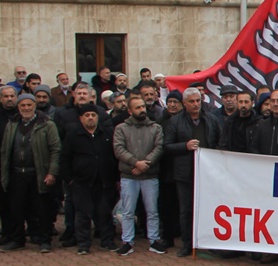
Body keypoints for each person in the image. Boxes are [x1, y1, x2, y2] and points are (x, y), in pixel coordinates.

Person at [163, 88, 222, 257]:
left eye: (198, 100)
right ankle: (188, 244)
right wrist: (184, 146)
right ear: (184, 103)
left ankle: (209, 241)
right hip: (184, 173)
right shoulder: (175, 122)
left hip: (208, 172)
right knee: (186, 210)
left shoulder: (211, 119)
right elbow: (166, 146)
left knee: (209, 208)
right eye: (192, 101)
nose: (196, 104)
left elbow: (220, 141)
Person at [0, 95, 61, 253]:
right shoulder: (11, 124)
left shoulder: (47, 124)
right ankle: (17, 239)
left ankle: (44, 240)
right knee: (16, 209)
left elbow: (55, 150)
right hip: (17, 173)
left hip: (38, 173)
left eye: (29, 105)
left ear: (34, 106)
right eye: (22, 105)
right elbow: (5, 150)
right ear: (18, 107)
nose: (26, 108)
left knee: (42, 210)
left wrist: (52, 172)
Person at [58, 102, 118, 255]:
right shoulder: (73, 135)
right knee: (83, 215)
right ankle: (83, 244)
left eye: (93, 115)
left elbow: (113, 157)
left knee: (105, 213)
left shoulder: (106, 134)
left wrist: (115, 179)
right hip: (81, 183)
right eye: (87, 115)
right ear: (81, 118)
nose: (90, 118)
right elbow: (64, 159)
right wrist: (70, 180)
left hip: (104, 181)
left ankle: (107, 242)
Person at [112, 93, 165, 256]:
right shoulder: (121, 128)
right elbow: (119, 149)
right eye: (138, 107)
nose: (142, 110)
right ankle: (127, 241)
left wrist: (144, 165)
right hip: (129, 176)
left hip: (149, 176)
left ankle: (154, 240)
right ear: (129, 111)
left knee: (152, 210)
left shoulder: (155, 128)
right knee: (128, 211)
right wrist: (136, 163)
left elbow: (158, 147)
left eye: (143, 106)